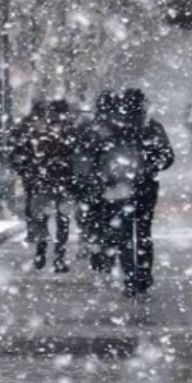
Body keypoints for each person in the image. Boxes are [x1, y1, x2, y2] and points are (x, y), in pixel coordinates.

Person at [102, 88, 174, 297]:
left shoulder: (112, 128)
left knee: (124, 234)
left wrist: (109, 177)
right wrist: (150, 167)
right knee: (143, 232)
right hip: (146, 187)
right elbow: (168, 157)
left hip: (120, 187)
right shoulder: (151, 127)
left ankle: (130, 278)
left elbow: (100, 157)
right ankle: (143, 275)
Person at [9, 99, 76, 272]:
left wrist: (27, 172)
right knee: (62, 221)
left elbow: (18, 154)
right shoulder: (69, 131)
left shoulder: (36, 130)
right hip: (60, 182)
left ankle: (42, 252)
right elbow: (78, 157)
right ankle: (58, 256)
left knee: (42, 219)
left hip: (42, 182)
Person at [72, 90, 120, 273]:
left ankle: (96, 251)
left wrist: (78, 179)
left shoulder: (87, 127)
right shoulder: (118, 128)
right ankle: (107, 253)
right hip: (109, 183)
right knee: (109, 219)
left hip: (90, 182)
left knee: (91, 219)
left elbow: (78, 155)